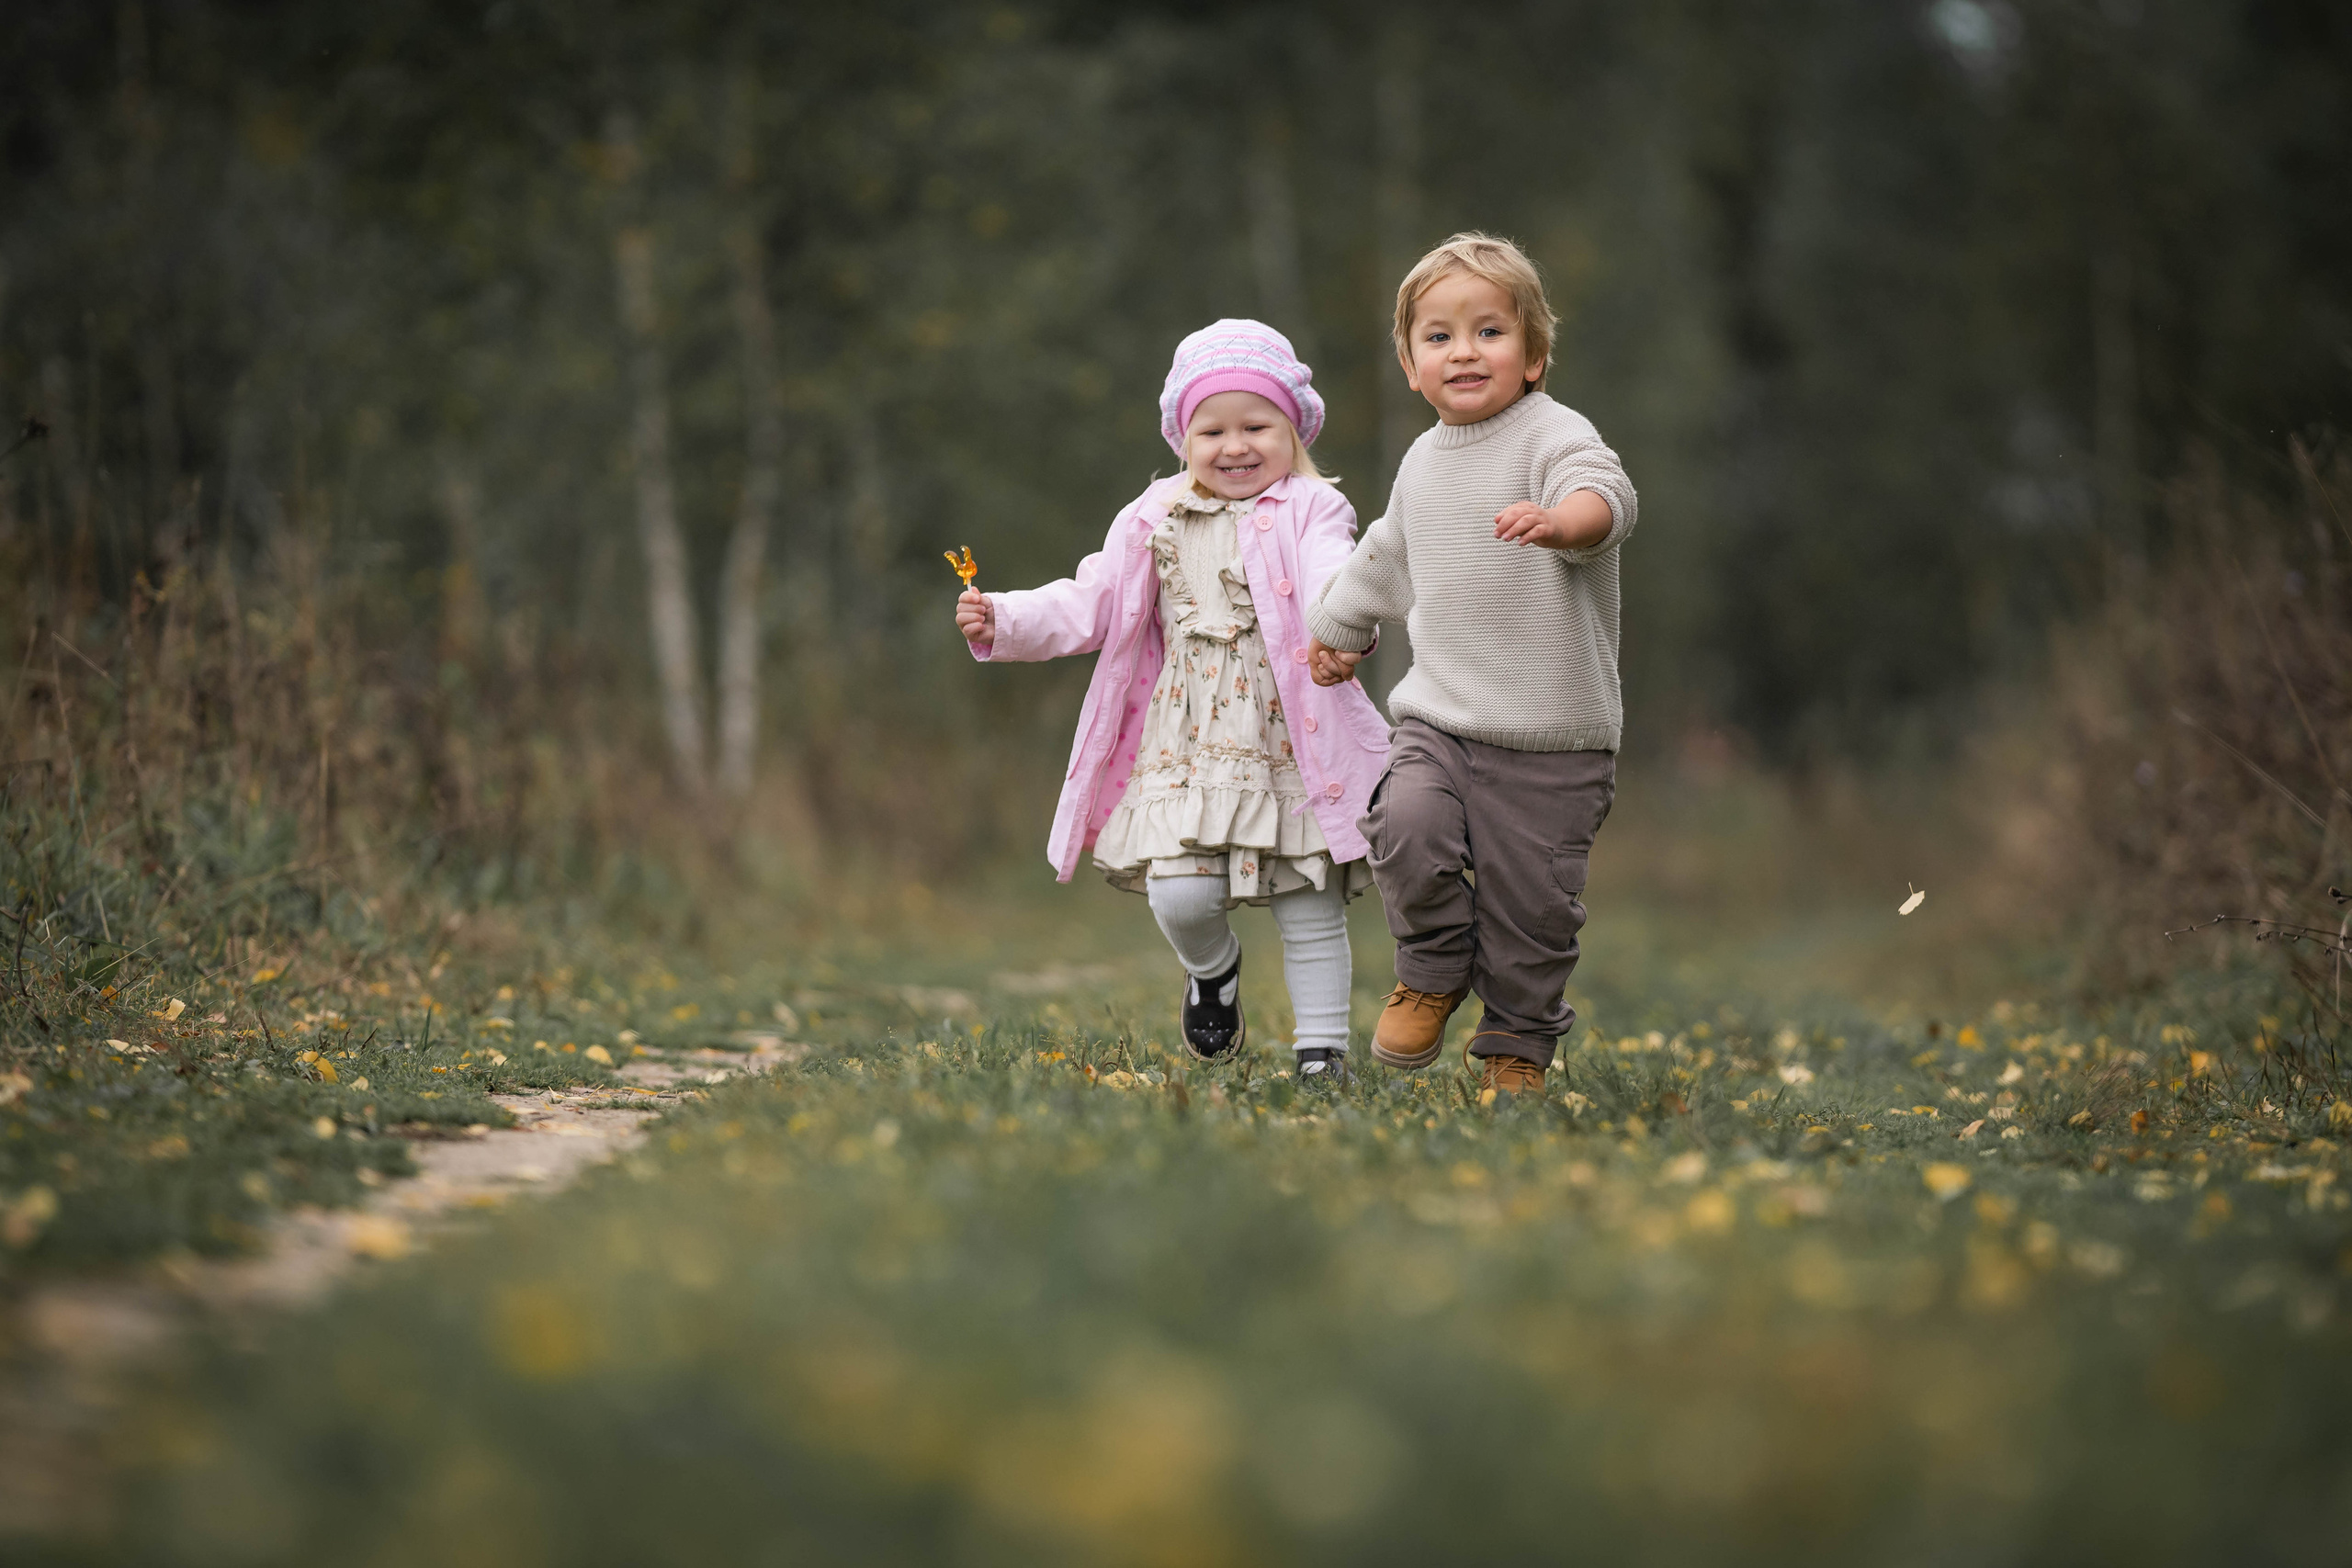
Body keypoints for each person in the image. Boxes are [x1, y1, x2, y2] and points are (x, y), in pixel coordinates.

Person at [958, 321, 1390, 1081]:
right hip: (1188, 744)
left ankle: (1323, 1050)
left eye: (1257, 426)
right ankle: (1213, 971)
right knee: (1182, 889)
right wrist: (1008, 615)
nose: (1235, 446)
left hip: (1292, 737)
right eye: (1212, 429)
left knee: (1309, 897)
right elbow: (1092, 600)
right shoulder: (1153, 515)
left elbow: (1336, 576)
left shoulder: (1314, 508)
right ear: (1181, 437)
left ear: (1293, 430)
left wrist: (1342, 624)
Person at [1307, 233, 1638, 1097]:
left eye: (1490, 332)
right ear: (1411, 365)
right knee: (1405, 826)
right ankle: (1433, 966)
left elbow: (1608, 492)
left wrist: (1566, 520)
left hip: (1553, 735)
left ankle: (1517, 1044)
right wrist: (1341, 622)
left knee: (1534, 910)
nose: (1464, 351)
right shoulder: (1422, 460)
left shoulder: (1554, 433)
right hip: (1441, 717)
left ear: (1533, 356)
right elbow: (1388, 550)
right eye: (1440, 336)